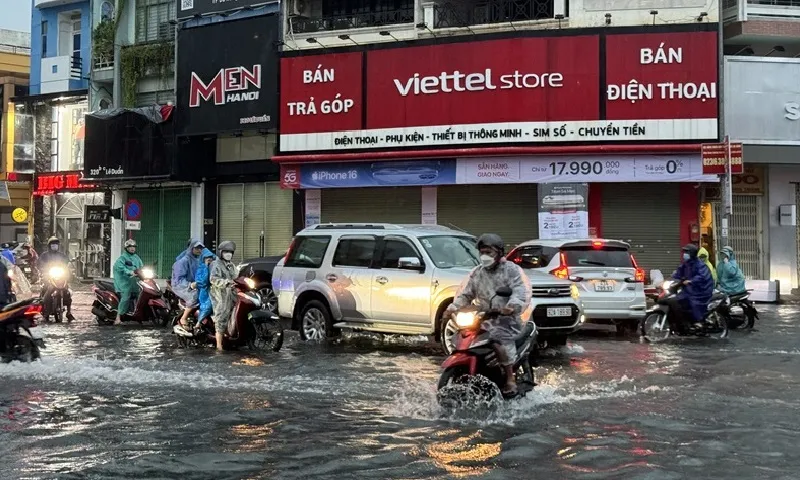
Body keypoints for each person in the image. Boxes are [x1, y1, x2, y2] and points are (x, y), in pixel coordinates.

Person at [445, 233, 532, 396]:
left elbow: (521, 291)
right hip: (484, 317)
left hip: (507, 319)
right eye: (482, 252)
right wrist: (452, 307)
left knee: (499, 340)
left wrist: (511, 306)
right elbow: (466, 294)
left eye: (489, 252)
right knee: (463, 336)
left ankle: (509, 379)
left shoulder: (511, 270)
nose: (485, 256)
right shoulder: (477, 273)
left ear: (499, 253)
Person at [671, 244, 715, 330]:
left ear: (692, 253)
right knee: (679, 299)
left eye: (687, 252)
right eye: (685, 252)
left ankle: (698, 321)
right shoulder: (686, 264)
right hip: (691, 288)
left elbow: (702, 276)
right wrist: (670, 279)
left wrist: (691, 281)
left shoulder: (700, 265)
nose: (685, 254)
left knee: (692, 301)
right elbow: (678, 273)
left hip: (701, 289)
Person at [210, 241, 238, 351]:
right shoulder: (216, 264)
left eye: (230, 252)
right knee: (222, 315)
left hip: (231, 293)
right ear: (221, 252)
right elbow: (213, 279)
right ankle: (219, 346)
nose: (228, 254)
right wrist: (226, 282)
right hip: (219, 294)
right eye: (226, 252)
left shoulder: (231, 265)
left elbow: (237, 276)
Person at [37, 236, 74, 321]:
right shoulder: (44, 255)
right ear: (49, 246)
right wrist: (43, 269)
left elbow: (67, 263)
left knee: (67, 292)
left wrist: (69, 269)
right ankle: (45, 309)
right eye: (53, 244)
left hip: (60, 277)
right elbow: (39, 264)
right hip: (49, 277)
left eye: (56, 244)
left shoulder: (62, 255)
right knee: (47, 289)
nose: (54, 246)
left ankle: (69, 312)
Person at [172, 240, 204, 329]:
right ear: (191, 248)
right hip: (181, 286)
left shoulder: (199, 260)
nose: (199, 250)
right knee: (195, 296)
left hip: (197, 285)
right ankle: (184, 318)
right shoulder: (183, 261)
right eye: (197, 248)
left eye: (201, 248)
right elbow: (178, 278)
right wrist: (189, 285)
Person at [113, 239, 144, 324]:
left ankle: (138, 314)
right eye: (130, 247)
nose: (132, 248)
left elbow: (141, 267)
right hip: (124, 282)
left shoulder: (136, 257)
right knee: (126, 297)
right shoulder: (122, 258)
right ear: (126, 248)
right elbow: (121, 268)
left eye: (134, 247)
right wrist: (130, 272)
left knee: (141, 295)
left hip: (135, 282)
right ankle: (118, 317)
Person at [194, 248, 216, 330]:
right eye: (207, 258)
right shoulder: (201, 268)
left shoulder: (214, 267)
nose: (209, 259)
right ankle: (198, 323)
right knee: (208, 305)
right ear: (203, 259)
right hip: (205, 292)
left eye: (210, 257)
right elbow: (203, 282)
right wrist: (206, 267)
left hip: (215, 290)